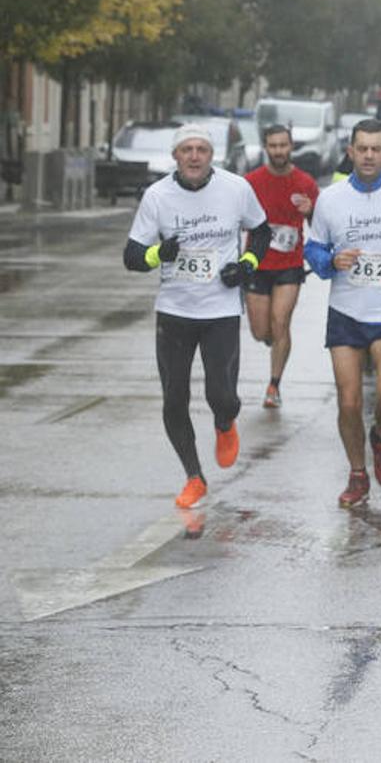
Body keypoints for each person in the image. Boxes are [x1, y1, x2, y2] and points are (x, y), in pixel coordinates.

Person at [123, 123, 270, 508]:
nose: (193, 156)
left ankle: (225, 422)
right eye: (186, 149)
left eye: (201, 149)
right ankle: (194, 476)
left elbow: (263, 231)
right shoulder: (157, 196)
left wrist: (247, 264)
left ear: (211, 155)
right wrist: (159, 254)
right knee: (174, 398)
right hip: (174, 312)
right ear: (175, 156)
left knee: (221, 394)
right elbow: (132, 257)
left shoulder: (236, 189)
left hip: (220, 310)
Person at [304, 119, 381, 508]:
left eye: (376, 148)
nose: (369, 155)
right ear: (351, 152)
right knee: (349, 402)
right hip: (346, 312)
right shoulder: (330, 199)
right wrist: (332, 260)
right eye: (362, 148)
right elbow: (314, 252)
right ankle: (357, 473)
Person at [245, 124, 318, 408]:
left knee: (280, 321)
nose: (278, 151)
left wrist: (310, 211)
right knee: (261, 330)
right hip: (257, 263)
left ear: (291, 147)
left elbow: (319, 225)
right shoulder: (251, 182)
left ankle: (273, 385)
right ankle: (273, 341)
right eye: (273, 146)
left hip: (289, 264)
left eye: (283, 145)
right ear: (266, 148)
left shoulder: (305, 182)